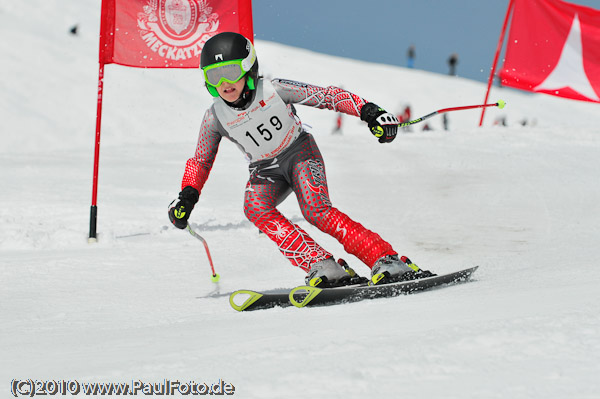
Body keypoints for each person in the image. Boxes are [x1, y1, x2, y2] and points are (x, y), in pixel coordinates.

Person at [168, 32, 434, 287]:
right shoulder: (214, 118)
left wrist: (368, 111)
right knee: (254, 207)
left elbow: (328, 97)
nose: (224, 83)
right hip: (265, 171)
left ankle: (385, 258)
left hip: (300, 154)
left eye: (230, 72)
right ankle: (322, 264)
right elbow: (201, 161)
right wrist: (188, 195)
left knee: (316, 211)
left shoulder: (274, 90)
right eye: (214, 75)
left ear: (248, 68)